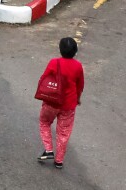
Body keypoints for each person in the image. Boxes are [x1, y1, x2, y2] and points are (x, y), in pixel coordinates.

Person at [37, 37, 85, 170]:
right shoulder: (78, 66)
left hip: (51, 102)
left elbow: (43, 78)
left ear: (60, 50)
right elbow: (80, 86)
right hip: (69, 105)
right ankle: (59, 161)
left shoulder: (54, 62)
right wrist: (78, 99)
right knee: (63, 132)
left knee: (44, 123)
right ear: (75, 51)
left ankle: (48, 149)